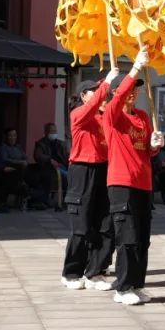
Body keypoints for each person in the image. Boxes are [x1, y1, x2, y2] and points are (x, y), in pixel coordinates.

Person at [102, 47, 160, 306]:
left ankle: (136, 283)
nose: (134, 92)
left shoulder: (143, 116)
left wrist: (156, 143)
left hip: (143, 183)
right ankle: (123, 287)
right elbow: (116, 100)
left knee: (142, 238)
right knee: (127, 237)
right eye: (129, 89)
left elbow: (147, 150)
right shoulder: (112, 116)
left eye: (137, 88)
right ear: (117, 93)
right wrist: (134, 67)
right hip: (122, 183)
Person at [60, 69, 119, 292]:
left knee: (105, 224)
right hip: (83, 170)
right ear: (84, 95)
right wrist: (106, 83)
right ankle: (71, 272)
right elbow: (92, 107)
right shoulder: (78, 114)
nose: (102, 97)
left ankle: (95, 271)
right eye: (95, 93)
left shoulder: (105, 117)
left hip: (105, 168)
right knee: (81, 225)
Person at [34, 122, 70, 210]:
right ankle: (61, 202)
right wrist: (49, 160)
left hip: (61, 166)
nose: (54, 133)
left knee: (71, 175)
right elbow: (38, 156)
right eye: (51, 131)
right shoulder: (41, 143)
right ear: (46, 132)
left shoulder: (60, 144)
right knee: (66, 176)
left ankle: (67, 201)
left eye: (55, 131)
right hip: (49, 168)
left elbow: (66, 155)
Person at [0, 127, 32, 208]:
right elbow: (5, 159)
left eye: (14, 135)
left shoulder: (18, 147)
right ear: (6, 137)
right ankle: (23, 186)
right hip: (11, 170)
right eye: (10, 136)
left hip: (23, 169)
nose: (13, 138)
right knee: (19, 167)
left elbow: (25, 157)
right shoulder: (3, 147)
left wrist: (24, 161)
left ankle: (30, 191)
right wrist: (19, 162)